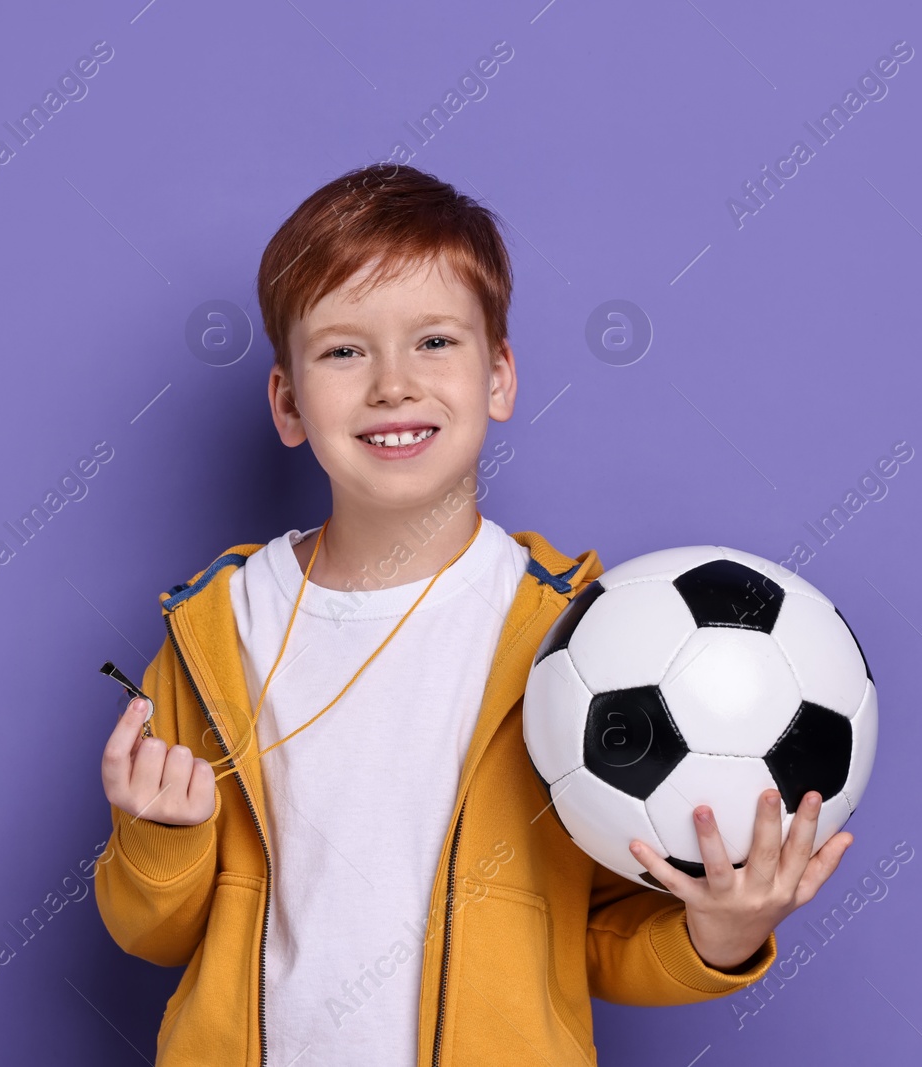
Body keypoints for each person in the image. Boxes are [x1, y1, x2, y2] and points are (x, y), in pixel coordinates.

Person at [94, 163, 853, 1066]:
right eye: (343, 350)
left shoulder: (581, 639)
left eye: (435, 342)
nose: (391, 384)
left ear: (499, 377)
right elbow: (151, 933)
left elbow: (599, 935)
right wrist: (159, 841)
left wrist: (720, 933)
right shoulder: (215, 630)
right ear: (289, 403)